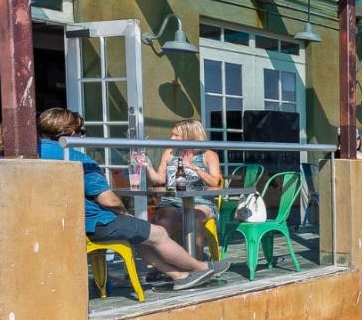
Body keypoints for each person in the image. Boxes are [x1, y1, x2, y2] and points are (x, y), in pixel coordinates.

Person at [38, 108, 226, 291]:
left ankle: (180, 275)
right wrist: (123, 211)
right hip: (93, 222)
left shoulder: (33, 152)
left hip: (57, 222)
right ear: (70, 132)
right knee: (156, 231)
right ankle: (201, 268)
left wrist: (193, 167)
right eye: (81, 132)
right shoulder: (79, 159)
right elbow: (109, 201)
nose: (81, 136)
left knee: (144, 233)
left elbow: (215, 184)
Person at [133, 119, 222, 248]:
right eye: (172, 134)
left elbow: (215, 183)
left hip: (200, 201)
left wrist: (194, 167)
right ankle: (170, 263)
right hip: (172, 201)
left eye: (176, 135)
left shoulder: (208, 155)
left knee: (195, 218)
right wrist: (147, 165)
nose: (171, 138)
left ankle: (197, 263)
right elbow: (159, 180)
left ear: (190, 136)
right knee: (164, 220)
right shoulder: (170, 152)